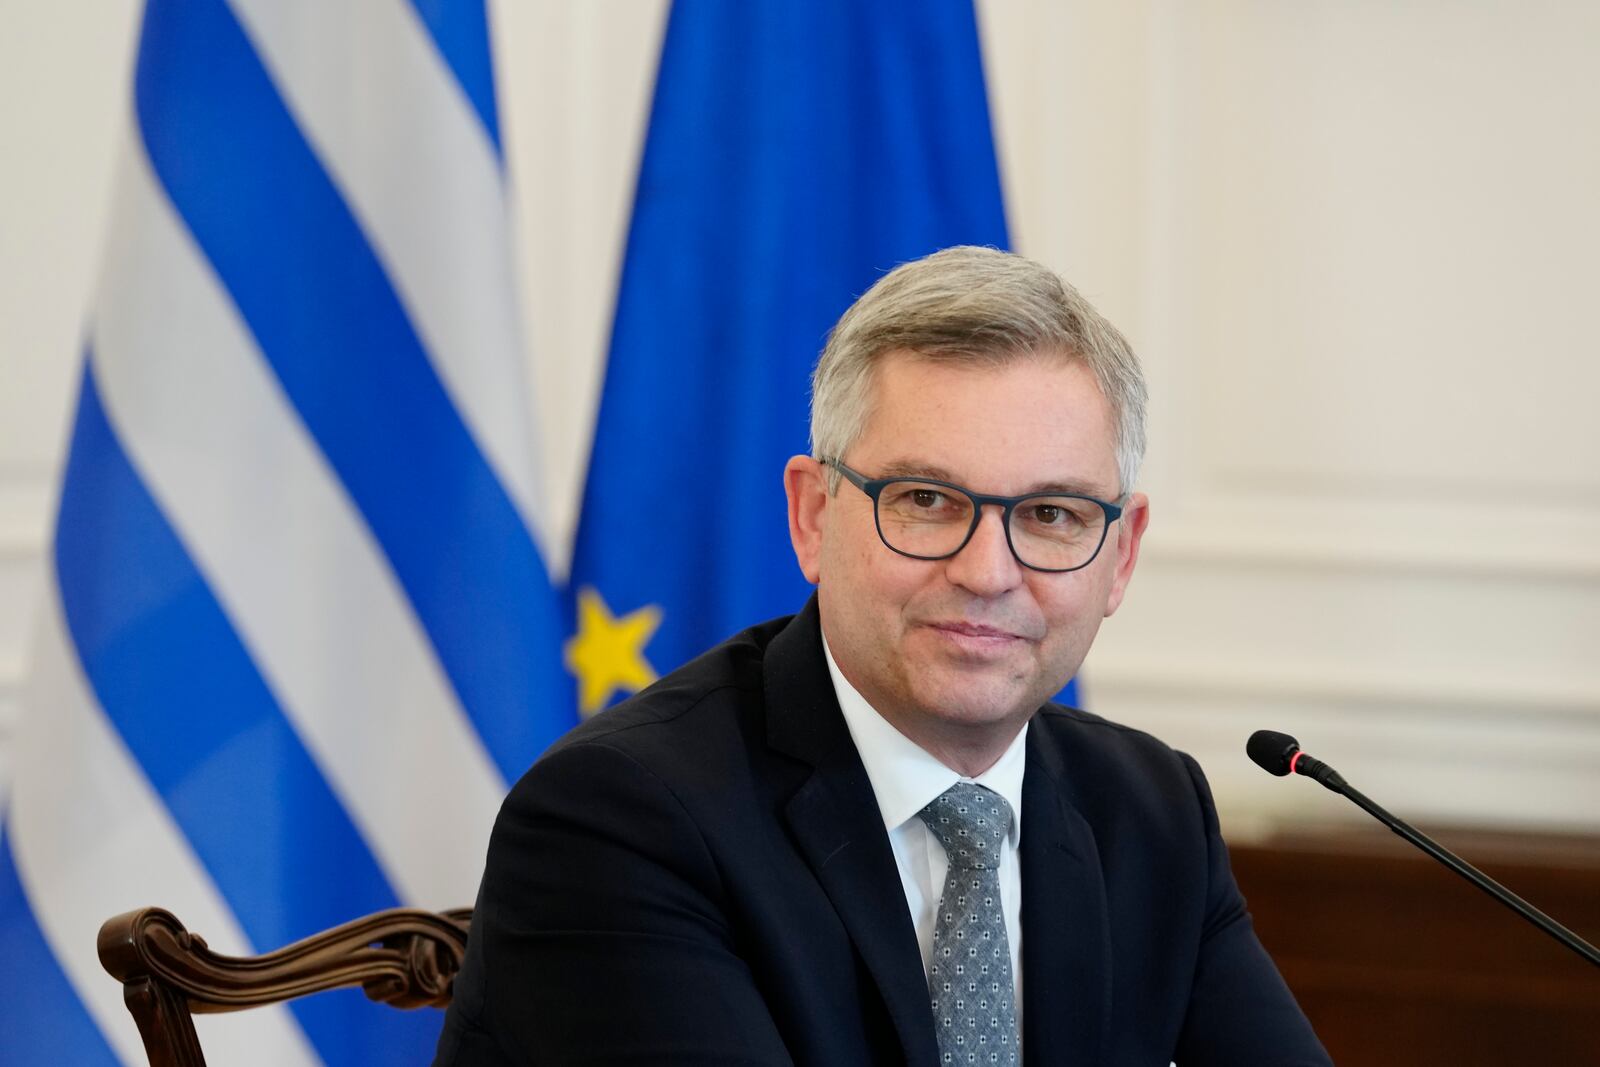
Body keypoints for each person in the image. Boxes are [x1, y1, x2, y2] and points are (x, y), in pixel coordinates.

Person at [434, 247, 1331, 1065]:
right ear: (814, 517)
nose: (988, 571)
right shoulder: (622, 819)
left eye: (1052, 514)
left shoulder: (1150, 812)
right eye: (927, 500)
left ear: (1121, 553)